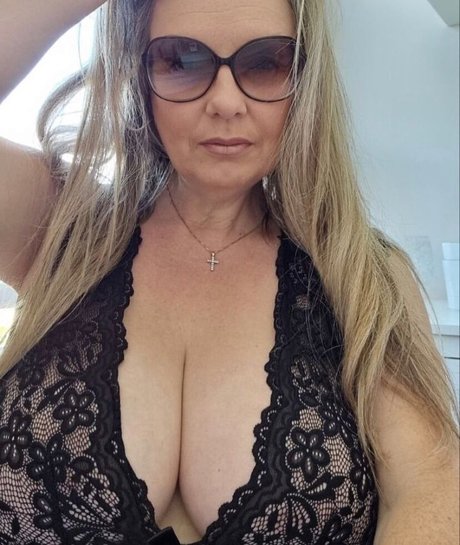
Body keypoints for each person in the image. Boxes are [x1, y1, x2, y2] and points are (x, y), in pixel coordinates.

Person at [0, 0, 458, 544]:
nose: (224, 102)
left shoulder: (363, 276)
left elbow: (432, 487)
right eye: (181, 59)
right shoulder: (59, 227)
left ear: (304, 82)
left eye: (265, 63)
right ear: (139, 74)